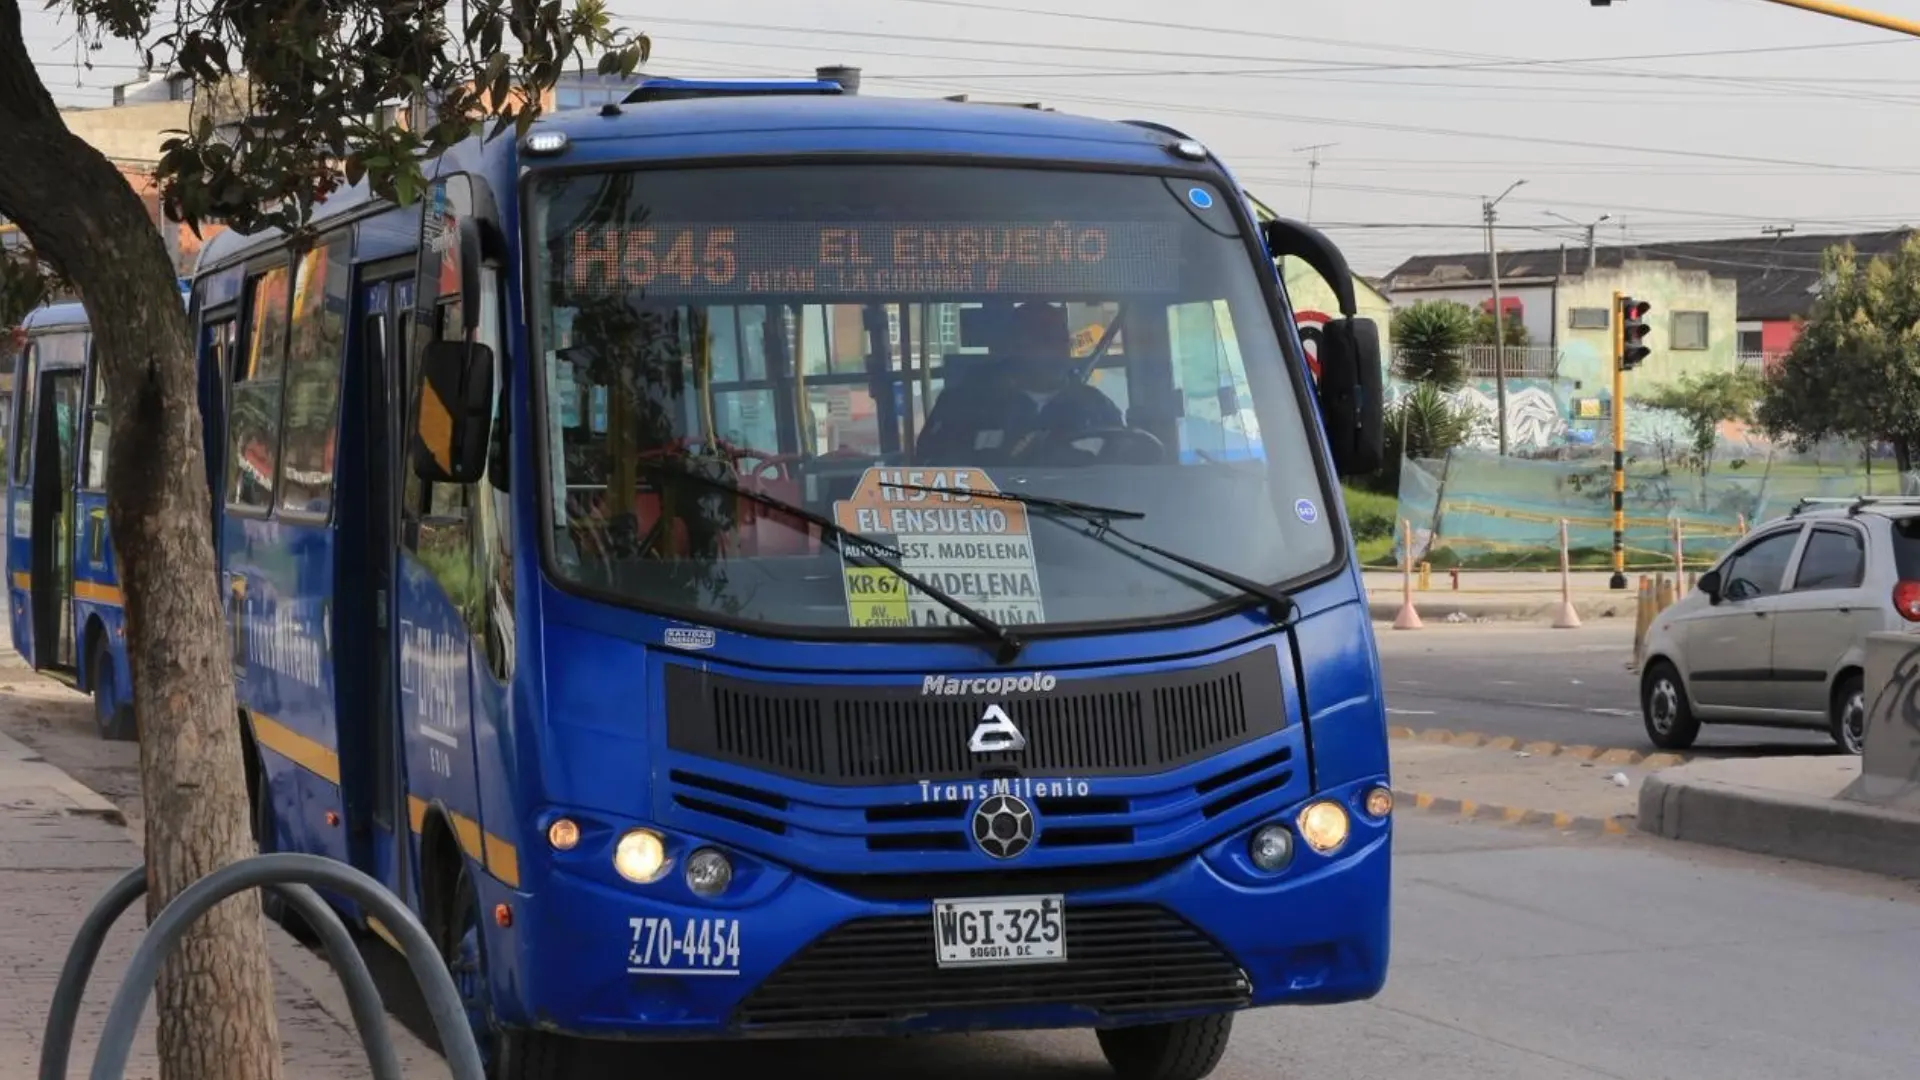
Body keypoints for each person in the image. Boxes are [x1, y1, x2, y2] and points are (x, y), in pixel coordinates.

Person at [914, 301, 1123, 465]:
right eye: (1038, 338)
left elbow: (1122, 476)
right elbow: (932, 473)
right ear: (1012, 346)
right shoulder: (960, 408)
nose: (1050, 348)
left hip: (1083, 515)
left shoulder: (1097, 408)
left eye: (1058, 338)